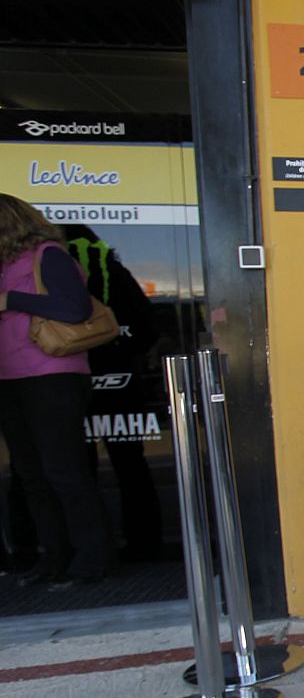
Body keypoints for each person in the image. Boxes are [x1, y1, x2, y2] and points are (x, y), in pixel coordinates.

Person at [0, 196, 112, 587]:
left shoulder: (48, 256)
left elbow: (75, 309)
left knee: (63, 471)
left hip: (53, 375)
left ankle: (90, 560)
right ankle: (53, 559)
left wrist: (11, 299)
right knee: (30, 475)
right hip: (9, 379)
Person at [62, 224, 164, 561]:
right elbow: (147, 329)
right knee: (131, 465)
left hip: (69, 381)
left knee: (76, 469)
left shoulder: (59, 276)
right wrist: (119, 349)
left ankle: (90, 549)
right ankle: (146, 543)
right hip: (121, 381)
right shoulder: (115, 274)